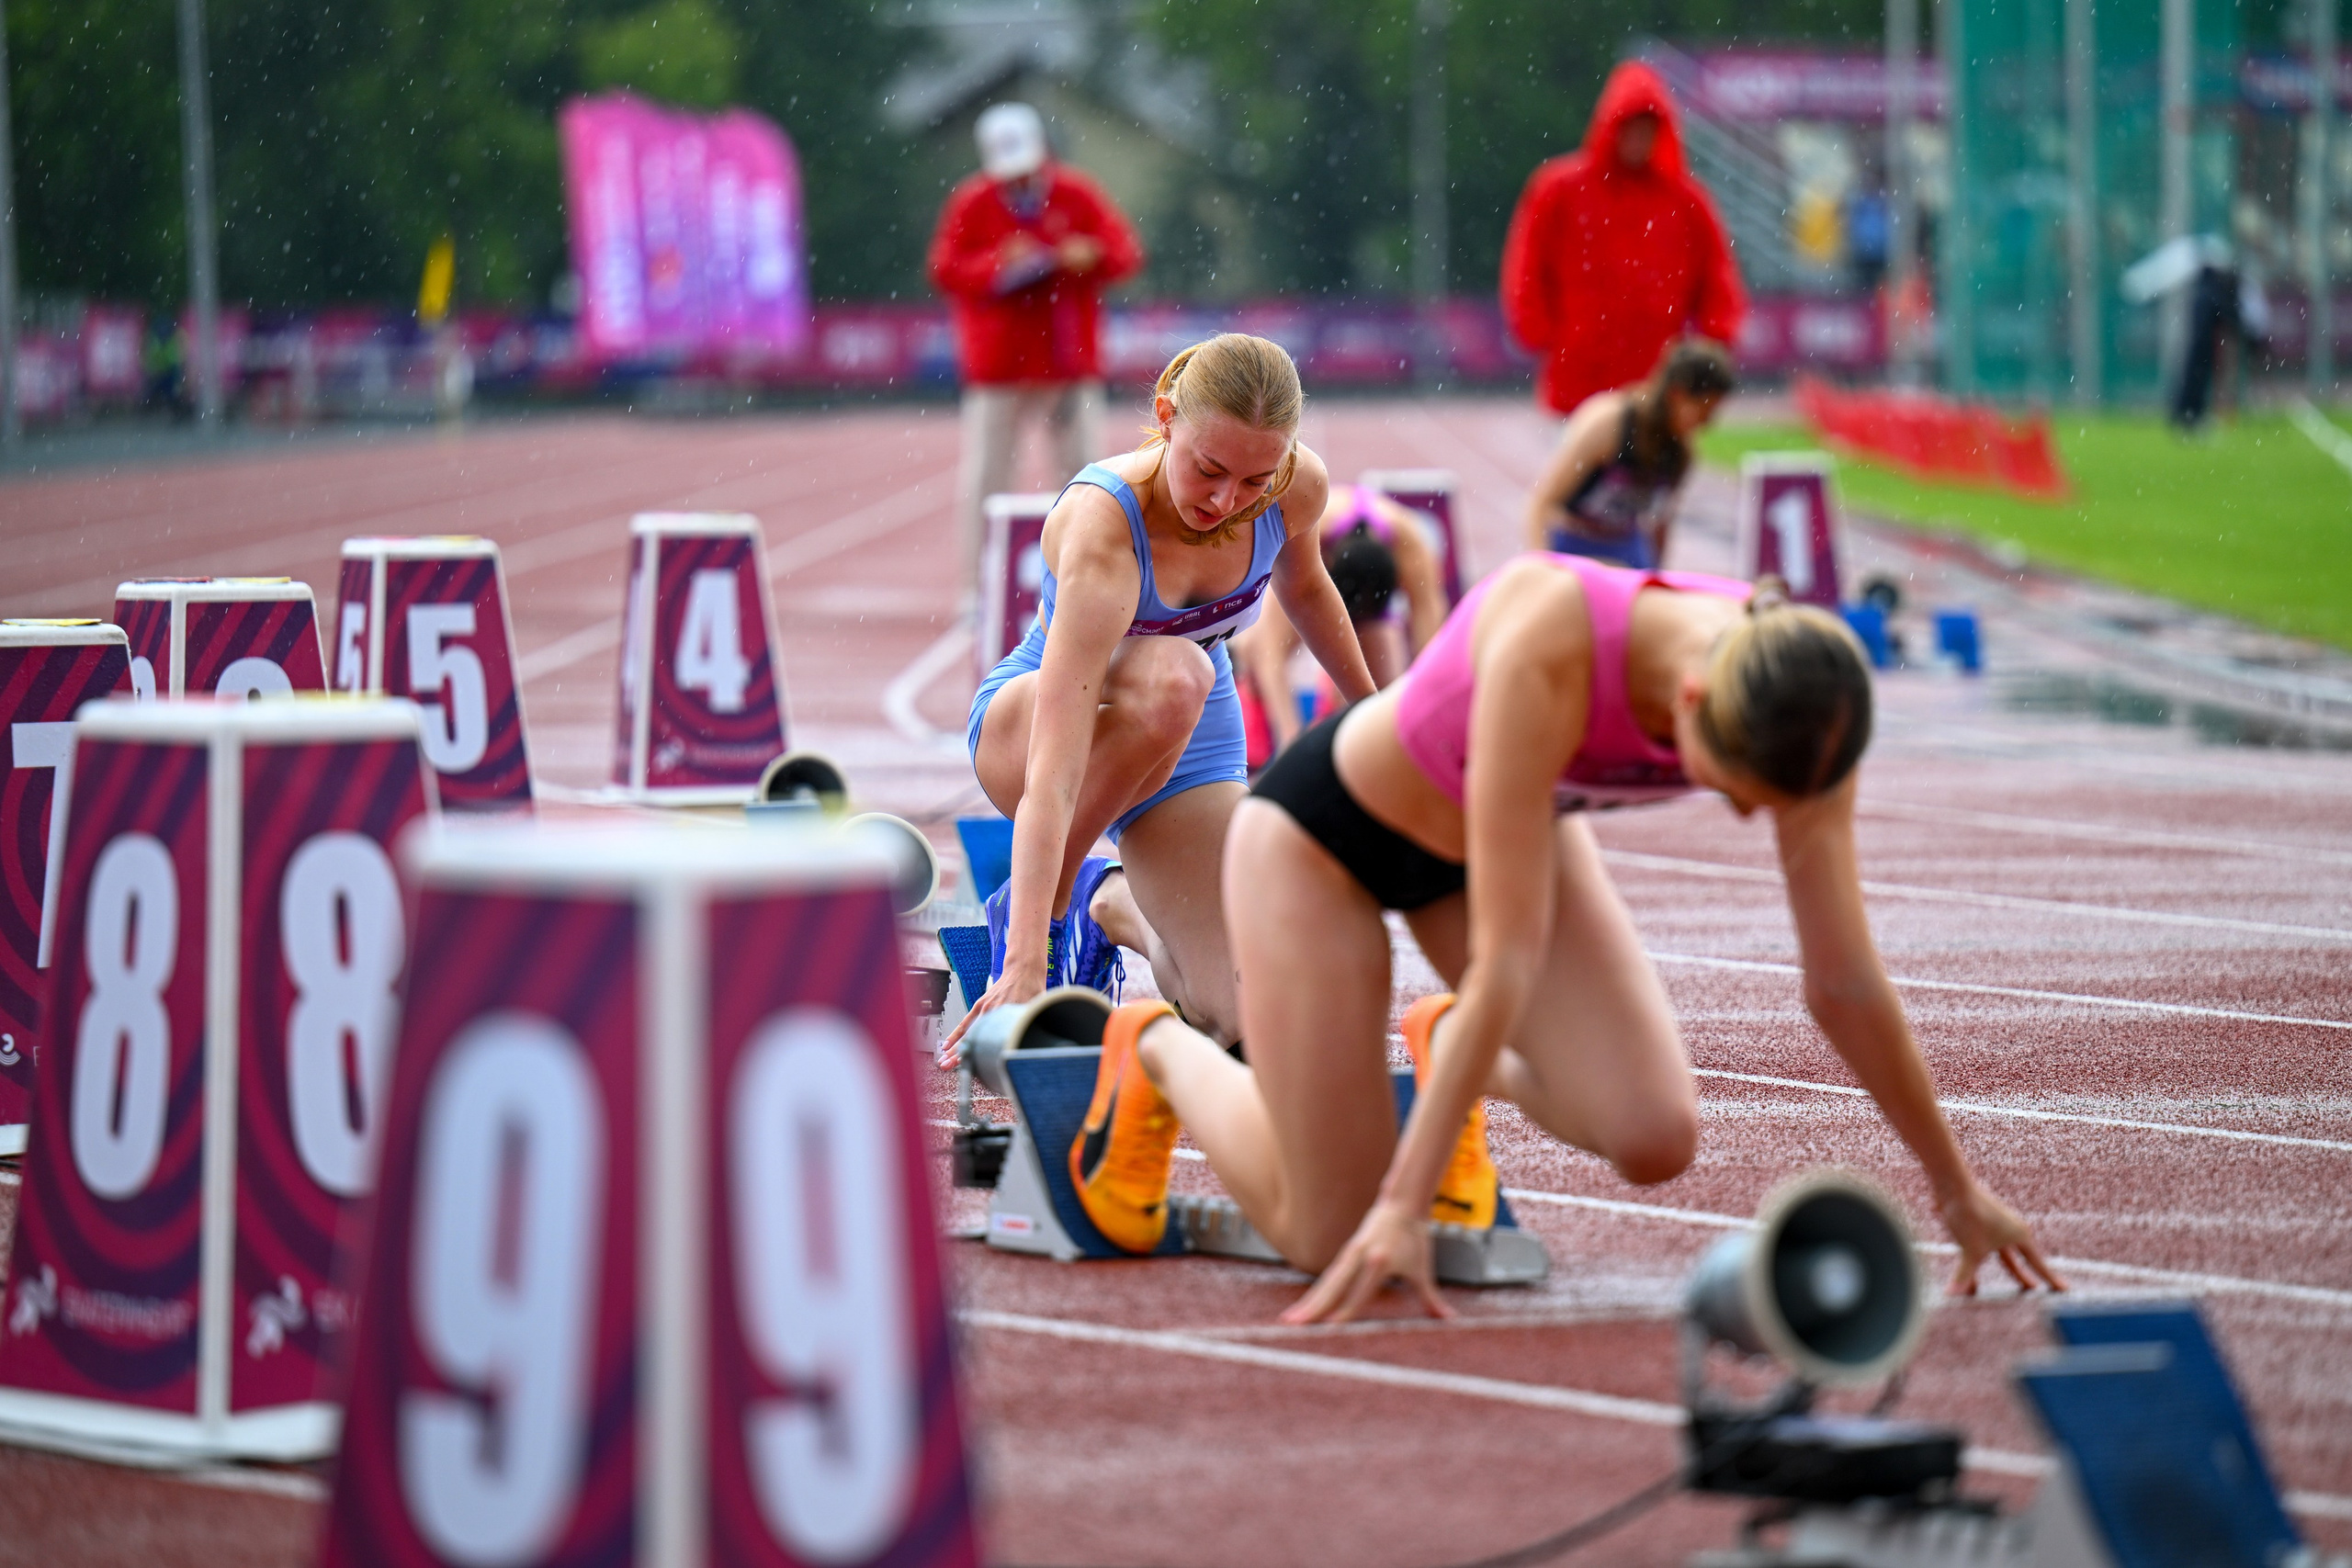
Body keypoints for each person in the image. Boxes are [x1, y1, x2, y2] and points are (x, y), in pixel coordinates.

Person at [1059, 553, 2064, 1321]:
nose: (1754, 823)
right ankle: (1155, 1048)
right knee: (1331, 1232)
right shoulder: (1550, 634)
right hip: (1322, 843)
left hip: (1492, 841)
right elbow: (1508, 958)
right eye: (1732, 792)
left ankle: (1450, 1046)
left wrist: (1956, 1189)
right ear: (1687, 703)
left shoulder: (1809, 701)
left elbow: (1840, 981)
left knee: (1651, 1136)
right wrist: (1403, 1206)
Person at [944, 333, 1375, 1056]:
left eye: (1254, 482)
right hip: (1040, 722)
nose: (1226, 500)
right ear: (1167, 415)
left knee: (1249, 1015)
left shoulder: (1297, 487)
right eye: (1209, 470)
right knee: (1182, 674)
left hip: (1193, 736)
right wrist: (1025, 952)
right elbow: (1054, 767)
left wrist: (1375, 712)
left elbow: (1304, 587)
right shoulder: (1105, 526)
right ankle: (1052, 906)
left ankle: (1103, 902)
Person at [929, 103, 1146, 599]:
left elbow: (1125, 252)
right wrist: (997, 264)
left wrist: (1087, 255)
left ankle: (1089, 585)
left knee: (1087, 481)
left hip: (1068, 362)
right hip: (998, 367)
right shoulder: (973, 200)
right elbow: (945, 268)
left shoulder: (1076, 192)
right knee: (987, 480)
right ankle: (979, 591)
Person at [1500, 62, 1747, 423]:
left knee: (1648, 479)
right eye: (1629, 126)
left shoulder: (1687, 203)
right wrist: (1536, 330)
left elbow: (1717, 278)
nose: (1638, 138)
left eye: (1647, 128)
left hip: (1657, 386)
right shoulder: (1558, 190)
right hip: (1577, 382)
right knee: (1577, 478)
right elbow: (1527, 264)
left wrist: (1715, 340)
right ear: (1610, 126)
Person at [1233, 484, 1451, 763]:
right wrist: (1289, 738)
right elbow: (1270, 652)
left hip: (1371, 595)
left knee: (1381, 697)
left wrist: (1423, 721)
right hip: (1317, 583)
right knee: (1254, 651)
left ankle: (1350, 738)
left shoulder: (1410, 545)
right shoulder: (1309, 534)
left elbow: (1431, 649)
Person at [1521, 339, 1736, 570]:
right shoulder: (1608, 424)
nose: (1708, 423)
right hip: (1572, 540)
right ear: (1676, 394)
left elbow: (1660, 525)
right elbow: (1541, 504)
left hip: (1626, 546)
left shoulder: (1681, 452)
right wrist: (1542, 568)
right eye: (1704, 410)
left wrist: (1656, 579)